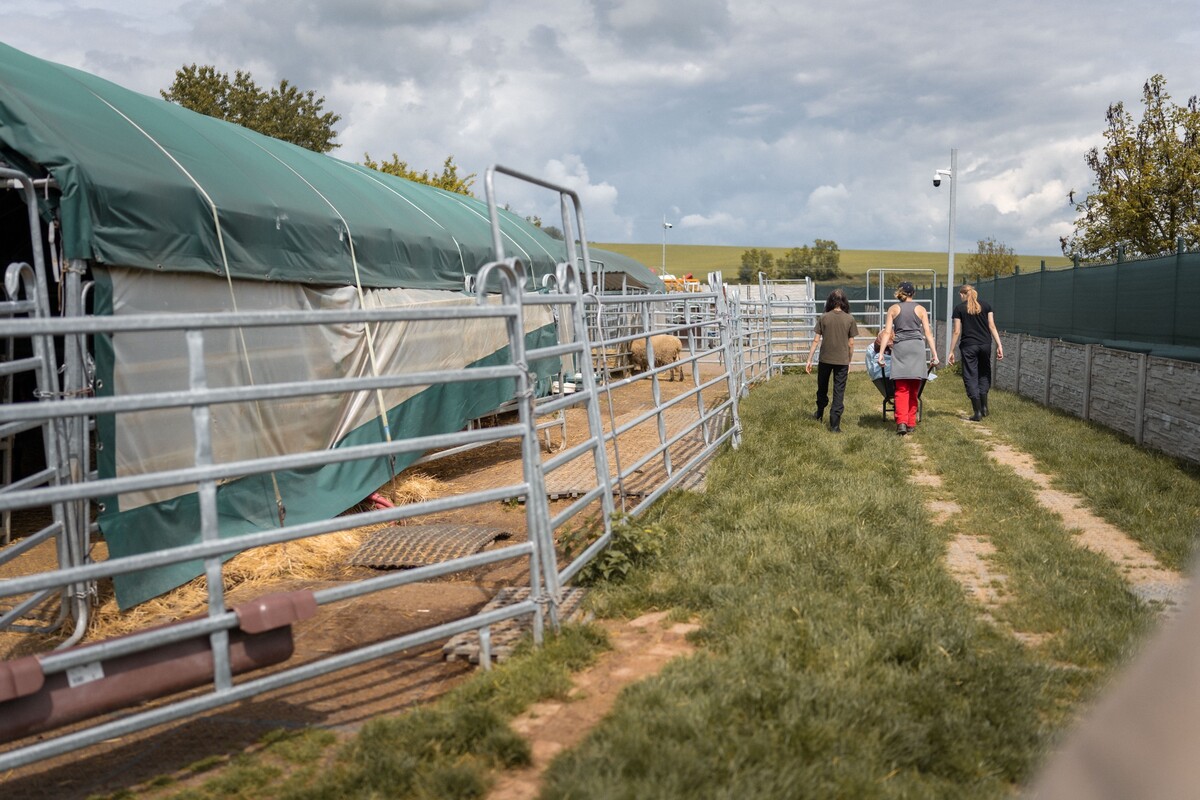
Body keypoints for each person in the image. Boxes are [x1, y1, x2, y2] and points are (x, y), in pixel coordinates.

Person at [877, 281, 939, 435]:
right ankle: (911, 422)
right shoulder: (921, 309)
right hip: (917, 348)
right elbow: (928, 333)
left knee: (901, 388)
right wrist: (934, 354)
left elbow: (886, 333)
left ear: (900, 292)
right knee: (914, 388)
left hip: (901, 348)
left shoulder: (893, 309)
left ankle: (901, 422)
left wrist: (881, 353)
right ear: (913, 293)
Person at [947, 283, 1004, 421]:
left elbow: (956, 331)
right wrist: (999, 345)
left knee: (970, 375)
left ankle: (977, 412)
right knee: (984, 372)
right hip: (985, 344)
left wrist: (951, 350)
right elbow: (992, 326)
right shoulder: (986, 306)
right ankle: (984, 408)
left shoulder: (959, 308)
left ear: (962, 294)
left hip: (969, 346)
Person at [805, 288, 859, 433]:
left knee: (822, 387)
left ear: (830, 301)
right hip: (842, 360)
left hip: (825, 359)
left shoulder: (824, 317)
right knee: (838, 391)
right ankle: (834, 425)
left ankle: (819, 413)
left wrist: (809, 360)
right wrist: (849, 360)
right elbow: (851, 343)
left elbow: (816, 340)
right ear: (844, 302)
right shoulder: (850, 319)